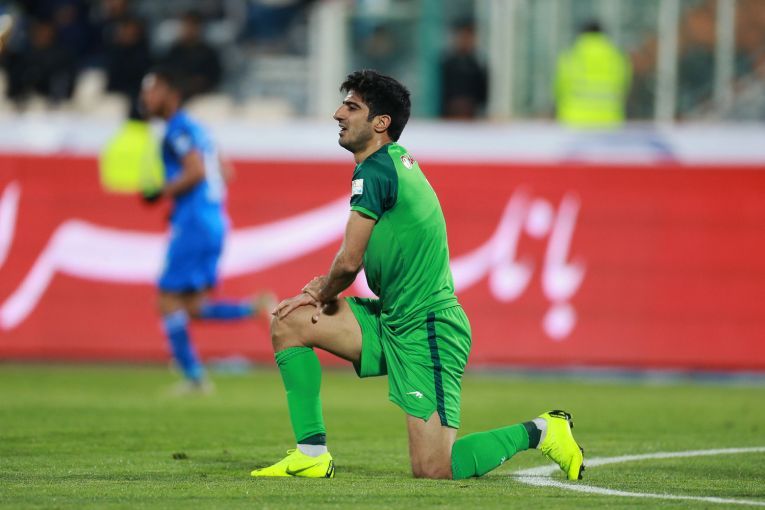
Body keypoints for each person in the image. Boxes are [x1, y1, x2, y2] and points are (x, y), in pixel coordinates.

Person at [250, 70, 585, 480]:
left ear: (381, 123)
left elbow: (349, 262)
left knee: (435, 468)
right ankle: (311, 454)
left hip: (429, 328)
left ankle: (543, 430)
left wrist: (320, 290)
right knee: (290, 322)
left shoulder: (377, 170)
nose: (338, 114)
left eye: (351, 107)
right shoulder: (392, 162)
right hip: (393, 317)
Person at [140, 67, 274, 392]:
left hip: (195, 223)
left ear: (172, 94)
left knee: (167, 300)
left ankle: (194, 378)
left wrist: (161, 192)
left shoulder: (177, 130)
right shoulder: (200, 130)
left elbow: (196, 171)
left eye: (153, 90)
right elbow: (225, 172)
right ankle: (255, 308)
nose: (146, 98)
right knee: (193, 308)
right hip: (212, 220)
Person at [555, 20, 631, 128]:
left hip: (574, 120)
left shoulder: (571, 56)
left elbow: (559, 88)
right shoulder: (616, 57)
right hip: (609, 120)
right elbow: (624, 87)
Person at [160, 11, 221, 98]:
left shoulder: (208, 53)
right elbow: (167, 74)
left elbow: (213, 78)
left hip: (202, 97)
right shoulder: (174, 52)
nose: (190, 29)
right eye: (187, 25)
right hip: (177, 96)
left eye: (193, 25)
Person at [440, 19, 487, 119]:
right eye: (463, 36)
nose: (466, 41)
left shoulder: (478, 66)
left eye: (469, 37)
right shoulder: (446, 64)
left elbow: (482, 95)